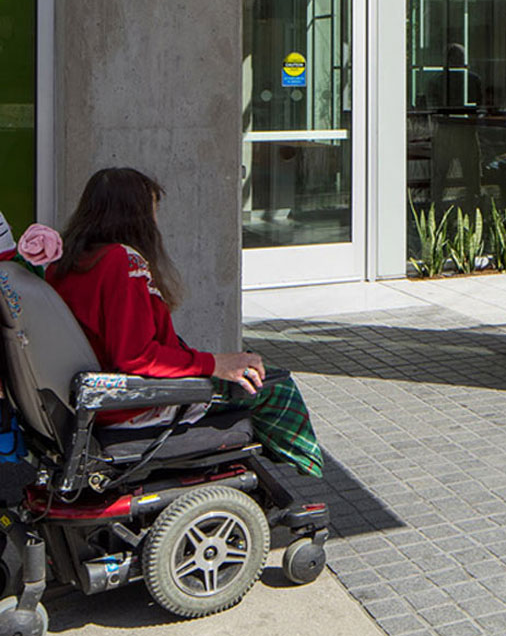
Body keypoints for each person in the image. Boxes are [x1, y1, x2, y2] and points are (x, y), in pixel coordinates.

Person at [48, 167, 323, 476]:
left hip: (95, 393)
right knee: (274, 385)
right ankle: (308, 474)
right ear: (134, 215)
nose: (155, 220)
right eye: (153, 209)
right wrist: (215, 364)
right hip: (133, 401)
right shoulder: (122, 261)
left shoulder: (66, 261)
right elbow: (136, 356)